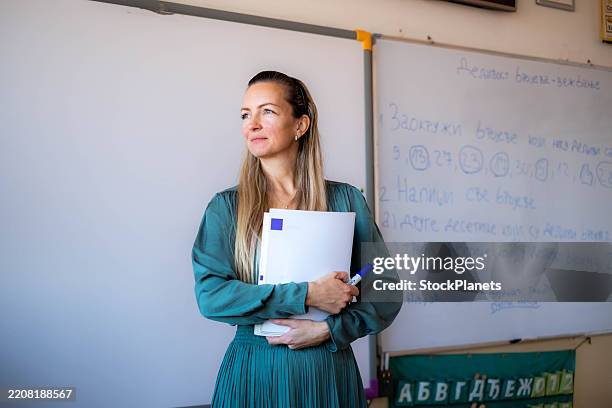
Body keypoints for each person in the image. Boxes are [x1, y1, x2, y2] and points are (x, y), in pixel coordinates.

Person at [192, 70, 401, 407]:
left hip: (328, 371)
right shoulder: (225, 207)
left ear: (300, 125)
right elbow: (211, 296)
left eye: (267, 112)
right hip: (256, 372)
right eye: (246, 115)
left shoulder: (345, 200)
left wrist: (330, 330)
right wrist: (307, 295)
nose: (252, 124)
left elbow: (386, 289)